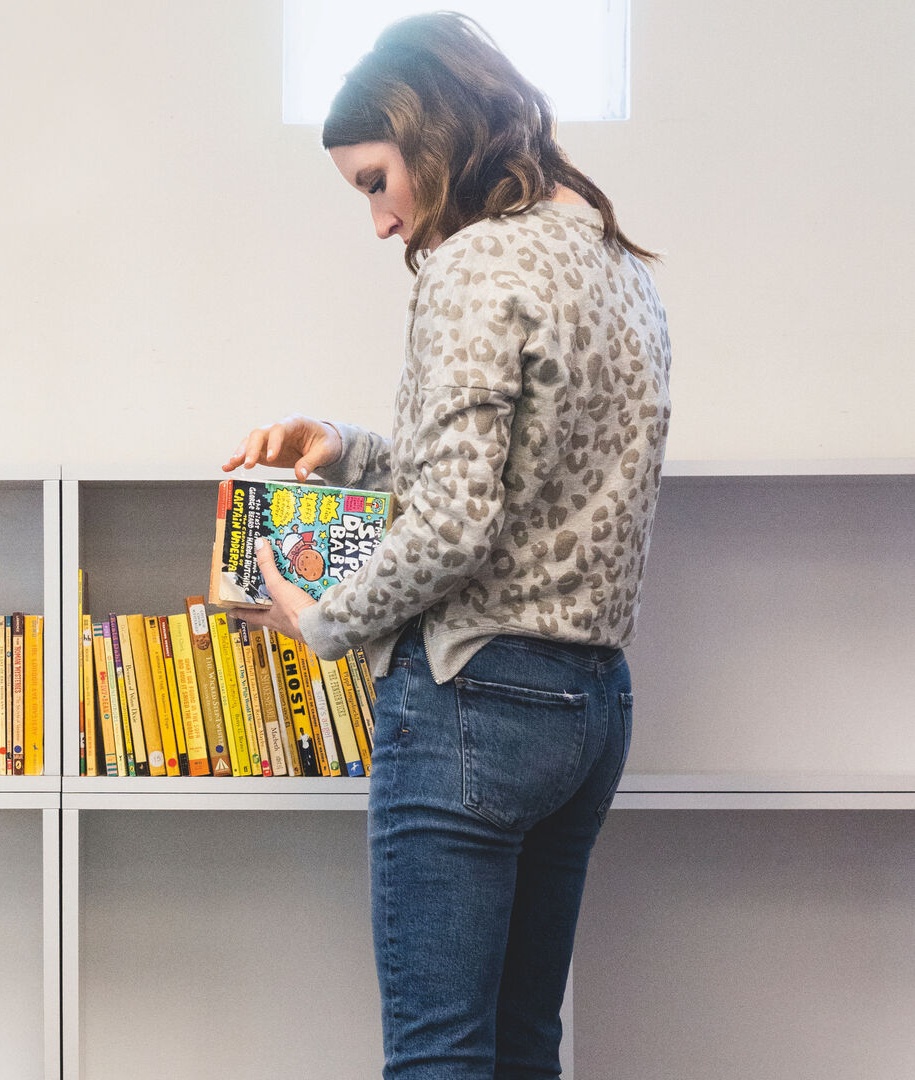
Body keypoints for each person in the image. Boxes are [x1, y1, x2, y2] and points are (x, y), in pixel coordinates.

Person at [221, 13, 672, 1079]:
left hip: (473, 698)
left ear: (429, 133)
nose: (378, 221)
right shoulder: (613, 261)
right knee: (521, 1045)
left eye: (373, 181)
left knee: (436, 1056)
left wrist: (322, 619)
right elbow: (513, 483)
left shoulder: (473, 265)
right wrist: (341, 446)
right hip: (589, 704)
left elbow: (457, 523)